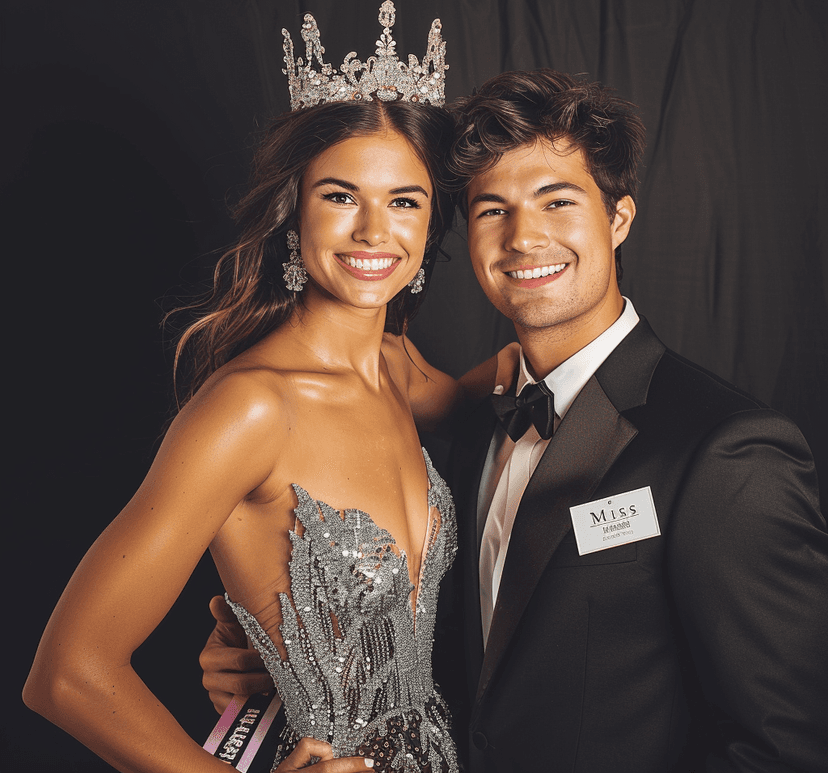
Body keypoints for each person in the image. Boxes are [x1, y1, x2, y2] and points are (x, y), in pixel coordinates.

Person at [202, 68, 828, 772]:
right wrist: (274, 658)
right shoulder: (464, 422)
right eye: (493, 210)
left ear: (618, 218)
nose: (524, 238)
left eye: (557, 202)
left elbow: (784, 747)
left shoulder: (727, 452)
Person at [23, 2, 516, 773]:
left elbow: (496, 395)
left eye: (404, 201)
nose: (372, 233)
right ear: (296, 212)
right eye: (341, 195)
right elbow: (67, 675)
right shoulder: (248, 408)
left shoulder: (396, 366)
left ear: (428, 228)